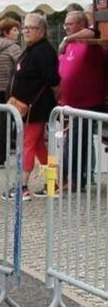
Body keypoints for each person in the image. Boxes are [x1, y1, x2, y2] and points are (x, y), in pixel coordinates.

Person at [2, 12, 59, 201]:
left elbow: (52, 78)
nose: (25, 31)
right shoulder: (31, 49)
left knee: (27, 144)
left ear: (41, 31)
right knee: (38, 147)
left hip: (36, 107)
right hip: (27, 106)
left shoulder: (43, 50)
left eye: (30, 27)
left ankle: (23, 186)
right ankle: (53, 184)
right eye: (24, 27)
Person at [56, 10, 103, 191]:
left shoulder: (88, 40)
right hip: (70, 105)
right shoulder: (71, 44)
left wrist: (67, 39)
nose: (66, 27)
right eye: (65, 24)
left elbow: (92, 33)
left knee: (78, 143)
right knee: (74, 142)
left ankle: (76, 179)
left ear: (81, 25)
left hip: (88, 103)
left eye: (70, 23)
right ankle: (72, 178)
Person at [0, 18, 23, 167]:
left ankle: (1, 157)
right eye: (14, 30)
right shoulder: (13, 48)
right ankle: (20, 154)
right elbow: (21, 66)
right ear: (5, 32)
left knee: (2, 122)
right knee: (17, 121)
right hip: (12, 88)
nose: (18, 33)